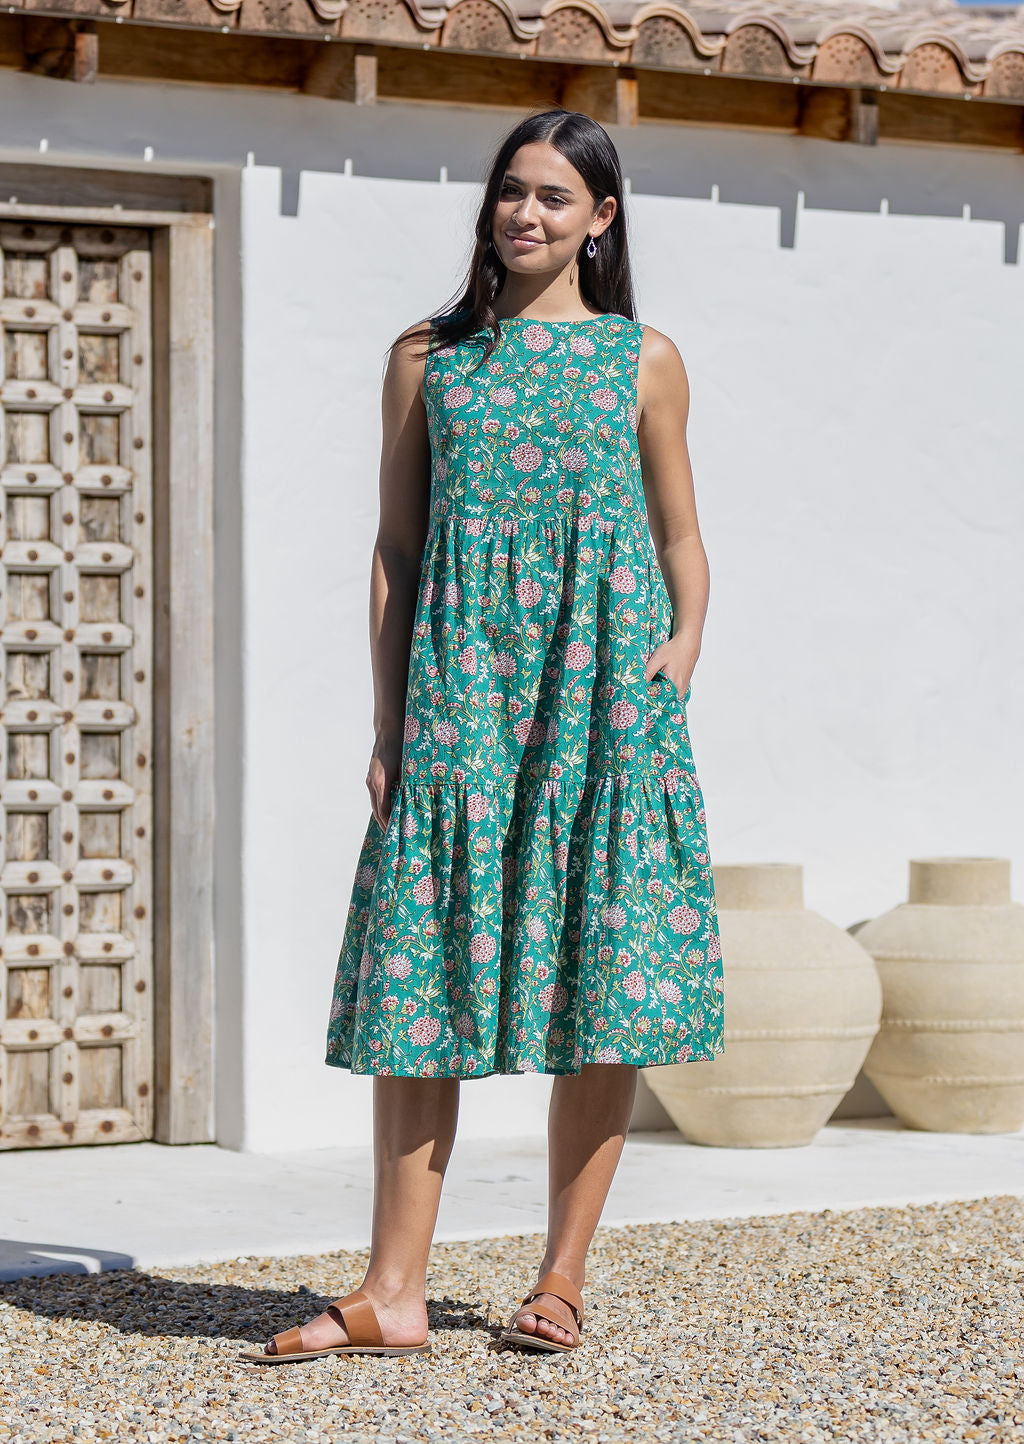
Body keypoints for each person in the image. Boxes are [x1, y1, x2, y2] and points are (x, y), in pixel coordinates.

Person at [240, 107, 725, 1365]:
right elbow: (397, 548)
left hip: (603, 692)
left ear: (601, 221)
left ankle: (559, 1277)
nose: (525, 215)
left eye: (556, 198)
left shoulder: (642, 360)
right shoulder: (428, 359)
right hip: (460, 693)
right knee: (419, 977)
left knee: (603, 975)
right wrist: (391, 714)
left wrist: (680, 649)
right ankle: (392, 1289)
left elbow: (679, 536)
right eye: (512, 192)